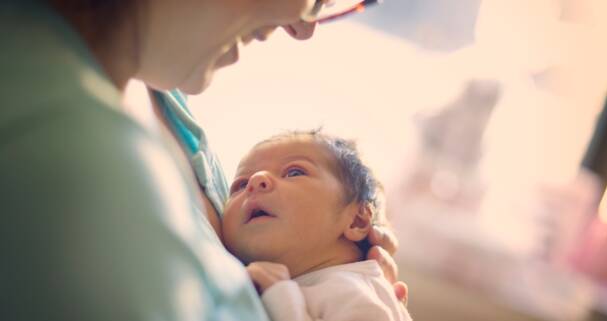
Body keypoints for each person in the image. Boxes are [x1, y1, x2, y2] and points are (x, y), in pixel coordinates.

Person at [0, 0, 406, 320]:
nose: (303, 26)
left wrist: (333, 283)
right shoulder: (62, 145)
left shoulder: (170, 103)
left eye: (295, 172)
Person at [222, 130, 413, 321]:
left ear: (357, 220)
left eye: (294, 172)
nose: (256, 181)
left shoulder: (351, 289)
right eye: (240, 184)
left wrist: (280, 297)